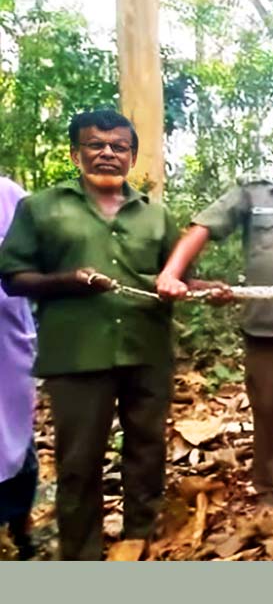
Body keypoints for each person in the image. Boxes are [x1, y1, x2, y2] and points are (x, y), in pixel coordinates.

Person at [0, 110, 181, 560]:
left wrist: (208, 290)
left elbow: (172, 278)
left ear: (132, 156)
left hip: (147, 349)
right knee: (79, 462)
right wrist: (67, 281)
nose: (107, 153)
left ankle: (141, 535)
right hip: (77, 354)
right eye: (96, 145)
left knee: (147, 449)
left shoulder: (155, 216)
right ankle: (82, 555)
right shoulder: (40, 208)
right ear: (75, 152)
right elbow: (12, 277)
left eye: (118, 146)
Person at [156, 118, 273, 518]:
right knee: (269, 407)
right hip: (266, 324)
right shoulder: (252, 195)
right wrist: (173, 274)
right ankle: (268, 492)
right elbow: (202, 227)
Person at [0, 175, 38, 559]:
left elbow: (40, 251)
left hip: (6, 338)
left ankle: (19, 526)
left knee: (12, 432)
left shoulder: (8, 194)